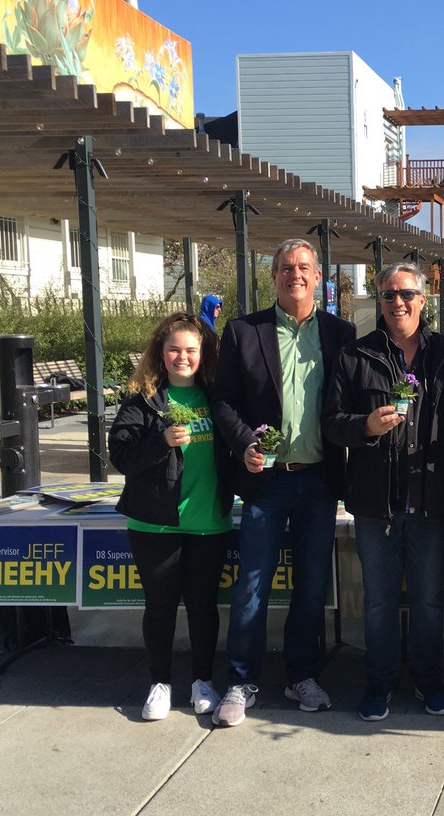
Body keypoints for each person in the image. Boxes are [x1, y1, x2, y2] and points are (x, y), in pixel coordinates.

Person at [208, 239, 356, 728]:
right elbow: (224, 402)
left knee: (312, 585)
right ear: (273, 277)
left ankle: (301, 676)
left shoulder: (341, 333)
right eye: (286, 268)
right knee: (252, 584)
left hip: (319, 480)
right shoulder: (243, 331)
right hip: (265, 481)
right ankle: (241, 680)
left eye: (304, 267)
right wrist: (245, 443)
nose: (295, 274)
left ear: (318, 278)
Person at [324, 263, 444, 721]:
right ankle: (379, 683)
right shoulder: (354, 356)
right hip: (374, 503)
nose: (397, 303)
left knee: (427, 600)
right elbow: (330, 424)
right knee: (380, 601)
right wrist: (364, 425)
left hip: (430, 500)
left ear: (423, 300)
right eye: (388, 296)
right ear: (379, 302)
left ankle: (428, 680)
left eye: (406, 294)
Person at [109, 313, 233, 721]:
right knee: (160, 606)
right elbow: (122, 457)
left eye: (191, 350)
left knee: (202, 607)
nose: (183, 357)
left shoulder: (217, 398)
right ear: (160, 355)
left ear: (203, 354)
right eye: (174, 349)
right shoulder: (142, 400)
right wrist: (160, 440)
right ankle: (159, 683)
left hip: (208, 521)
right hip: (154, 522)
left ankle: (202, 681)